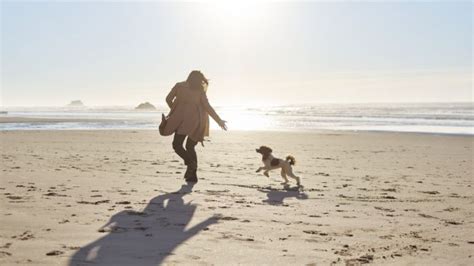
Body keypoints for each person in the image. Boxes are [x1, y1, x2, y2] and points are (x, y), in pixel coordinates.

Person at [162, 70, 227, 183]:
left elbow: (168, 99)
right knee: (190, 147)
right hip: (196, 122)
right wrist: (219, 121)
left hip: (181, 121)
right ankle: (193, 175)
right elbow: (207, 107)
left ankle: (190, 163)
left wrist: (175, 109)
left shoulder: (179, 86)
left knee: (177, 145)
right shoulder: (200, 91)